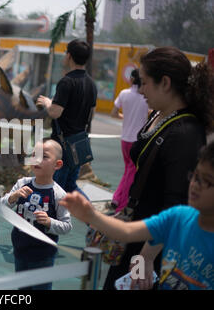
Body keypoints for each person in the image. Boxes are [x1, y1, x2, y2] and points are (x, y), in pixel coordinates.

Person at [101, 47, 213, 290]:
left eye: (144, 83)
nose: (140, 90)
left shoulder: (185, 133)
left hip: (151, 245)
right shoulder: (161, 116)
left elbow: (177, 201)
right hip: (140, 234)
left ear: (165, 82)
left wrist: (146, 256)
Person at [60, 141, 214, 290]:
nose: (195, 185)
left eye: (206, 181)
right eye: (195, 176)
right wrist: (91, 216)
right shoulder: (179, 216)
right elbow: (127, 232)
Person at [0, 138, 72, 290]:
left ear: (57, 165)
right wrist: (14, 196)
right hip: (19, 248)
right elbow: (0, 206)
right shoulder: (22, 184)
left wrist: (49, 222)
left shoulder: (59, 194)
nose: (37, 159)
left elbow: (66, 226)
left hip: (43, 255)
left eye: (44, 156)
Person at [36, 39, 97, 199]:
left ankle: (43, 222)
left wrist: (48, 102)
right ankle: (92, 218)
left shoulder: (66, 81)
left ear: (69, 55)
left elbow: (55, 112)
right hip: (78, 143)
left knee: (55, 188)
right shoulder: (91, 83)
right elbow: (92, 114)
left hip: (62, 146)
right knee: (70, 186)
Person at [110, 69, 149, 212]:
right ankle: (122, 204)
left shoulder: (124, 94)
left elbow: (113, 113)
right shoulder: (146, 97)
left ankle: (116, 197)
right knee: (132, 171)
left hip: (124, 138)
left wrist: (125, 117)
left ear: (132, 79)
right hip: (137, 140)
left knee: (128, 169)